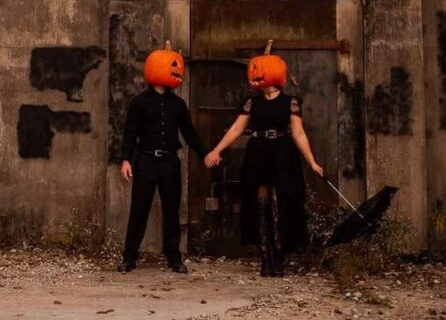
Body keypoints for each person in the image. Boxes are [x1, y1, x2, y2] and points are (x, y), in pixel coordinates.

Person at [203, 41, 324, 277]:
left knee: (280, 204)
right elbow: (236, 129)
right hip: (258, 153)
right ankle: (265, 257)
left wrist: (312, 162)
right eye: (253, 70)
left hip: (282, 153)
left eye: (259, 69)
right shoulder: (252, 102)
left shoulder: (290, 101)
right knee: (261, 205)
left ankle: (279, 256)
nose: (255, 74)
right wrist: (216, 150)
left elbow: (298, 133)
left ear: (276, 72)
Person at [117, 41, 208, 274]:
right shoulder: (139, 103)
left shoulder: (178, 104)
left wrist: (204, 154)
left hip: (169, 162)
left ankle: (174, 257)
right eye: (171, 65)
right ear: (155, 68)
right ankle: (129, 257)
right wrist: (126, 160)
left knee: (171, 209)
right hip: (146, 161)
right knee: (139, 209)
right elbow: (130, 133)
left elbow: (189, 133)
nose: (177, 69)